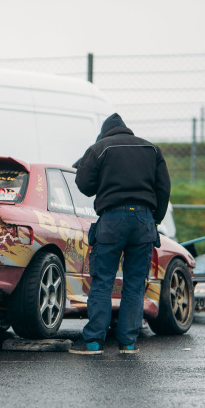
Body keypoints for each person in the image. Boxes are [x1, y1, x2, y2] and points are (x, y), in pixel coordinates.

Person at [69, 113, 171, 355]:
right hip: (144, 220)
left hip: (112, 220)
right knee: (135, 285)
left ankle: (94, 342)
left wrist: (98, 173)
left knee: (103, 281)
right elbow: (164, 188)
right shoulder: (151, 149)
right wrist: (154, 219)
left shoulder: (100, 148)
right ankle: (128, 343)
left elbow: (84, 185)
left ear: (104, 133)